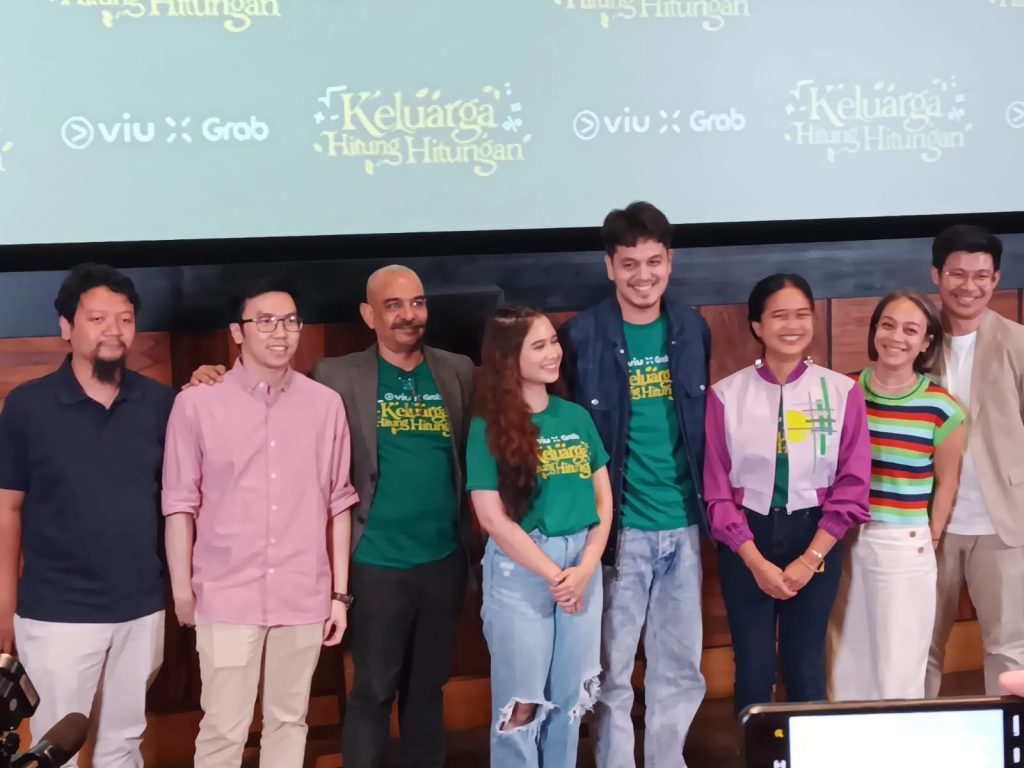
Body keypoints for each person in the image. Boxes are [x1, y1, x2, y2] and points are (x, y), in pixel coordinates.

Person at [187, 265, 477, 768]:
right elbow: (268, 386)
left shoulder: (458, 371)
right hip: (374, 562)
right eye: (393, 305)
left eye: (417, 302)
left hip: (443, 560)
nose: (408, 315)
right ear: (368, 314)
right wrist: (209, 374)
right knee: (372, 690)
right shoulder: (335, 376)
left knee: (429, 689)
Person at [163, 277, 359, 768]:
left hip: (303, 591)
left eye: (290, 321)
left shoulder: (325, 405)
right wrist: (183, 590)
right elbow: (180, 503)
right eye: (265, 321)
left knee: (290, 721)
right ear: (237, 331)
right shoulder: (196, 403)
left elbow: (338, 502)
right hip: (226, 593)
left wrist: (339, 594)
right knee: (223, 728)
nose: (280, 332)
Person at [0, 263, 173, 768]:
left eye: (125, 319)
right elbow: (7, 507)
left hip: (142, 608)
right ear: (66, 327)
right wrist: (5, 605)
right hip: (57, 612)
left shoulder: (160, 403)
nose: (113, 331)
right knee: (55, 750)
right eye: (97, 319)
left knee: (125, 741)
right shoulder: (27, 406)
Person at [559, 201, 709, 767]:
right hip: (617, 534)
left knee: (680, 669)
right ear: (609, 267)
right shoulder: (581, 336)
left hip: (684, 526)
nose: (643, 276)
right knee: (611, 673)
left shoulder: (691, 328)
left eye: (653, 262)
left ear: (670, 261)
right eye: (629, 264)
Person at [703, 273, 871, 714]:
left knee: (806, 667)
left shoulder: (841, 391)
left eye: (802, 314)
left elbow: (853, 484)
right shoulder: (726, 394)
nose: (792, 325)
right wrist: (755, 560)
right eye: (779, 316)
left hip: (815, 534)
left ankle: (806, 750)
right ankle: (754, 750)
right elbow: (717, 491)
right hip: (746, 539)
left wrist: (810, 559)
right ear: (757, 325)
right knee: (754, 669)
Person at [468, 305, 612, 768]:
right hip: (524, 569)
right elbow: (492, 518)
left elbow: (603, 502)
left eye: (553, 341)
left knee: (572, 699)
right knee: (522, 704)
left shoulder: (576, 417)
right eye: (539, 345)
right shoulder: (487, 427)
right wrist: (554, 574)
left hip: (581, 566)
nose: (554, 353)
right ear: (509, 357)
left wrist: (585, 567)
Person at [829, 289, 966, 701]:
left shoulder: (941, 407)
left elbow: (948, 482)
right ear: (874, 332)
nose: (896, 337)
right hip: (842, 540)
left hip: (902, 545)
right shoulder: (843, 390)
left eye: (910, 330)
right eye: (887, 325)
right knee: (844, 666)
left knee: (897, 672)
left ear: (926, 342)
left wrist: (931, 536)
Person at [926, 225, 1024, 697]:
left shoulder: (1017, 342)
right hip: (929, 522)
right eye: (957, 274)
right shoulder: (918, 338)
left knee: (1009, 649)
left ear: (996, 279)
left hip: (1004, 524)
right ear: (937, 275)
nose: (969, 286)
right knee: (920, 645)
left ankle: (1011, 736)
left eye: (981, 276)